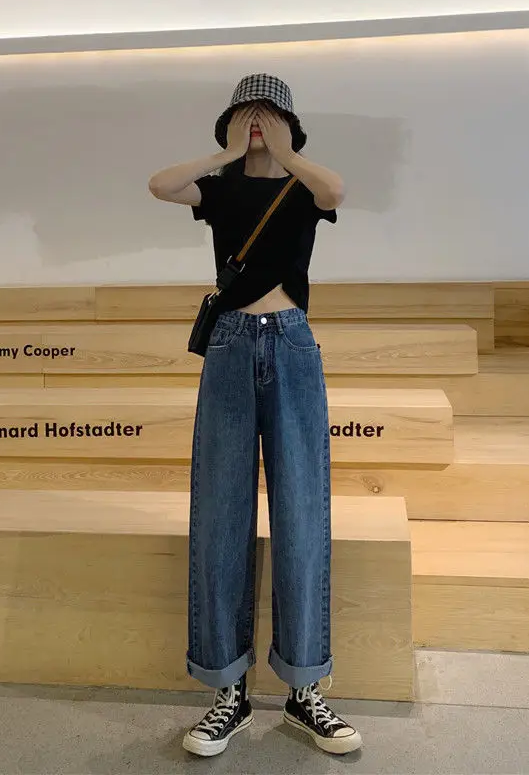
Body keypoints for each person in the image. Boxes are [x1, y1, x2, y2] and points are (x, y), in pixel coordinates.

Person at [148, 73, 361, 757]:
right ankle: (228, 692)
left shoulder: (303, 186)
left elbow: (336, 191)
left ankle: (304, 689)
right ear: (231, 122)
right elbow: (160, 184)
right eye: (247, 112)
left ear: (291, 123)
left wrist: (288, 151)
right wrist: (227, 152)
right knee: (220, 514)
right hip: (231, 344)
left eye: (270, 112)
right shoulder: (221, 189)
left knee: (302, 512)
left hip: (292, 342)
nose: (259, 121)